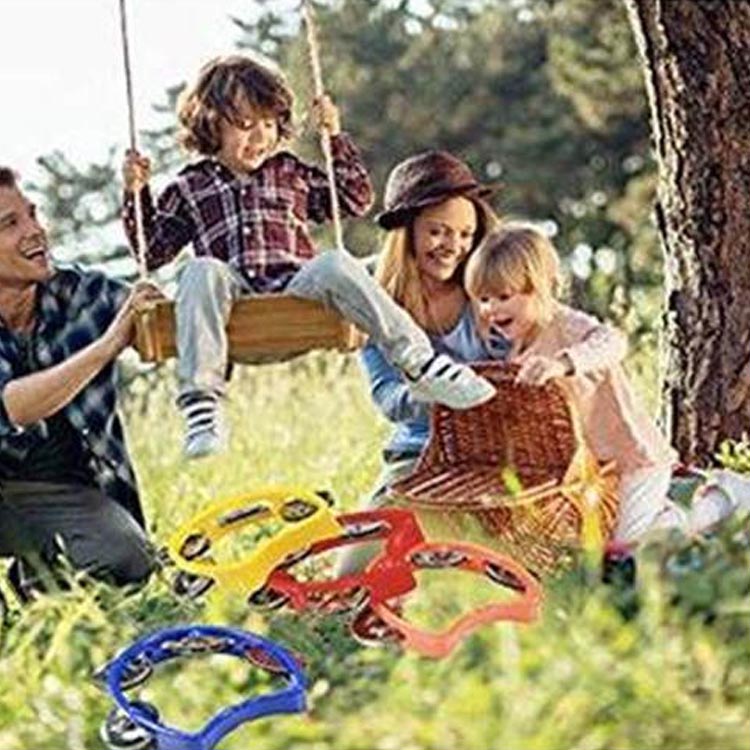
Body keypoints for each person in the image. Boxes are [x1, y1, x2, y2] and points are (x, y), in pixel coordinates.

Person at [122, 55, 495, 459]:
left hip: (295, 290)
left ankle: (420, 363)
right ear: (210, 124)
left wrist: (334, 138)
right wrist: (135, 193)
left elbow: (354, 198)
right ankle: (201, 406)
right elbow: (152, 250)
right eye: (245, 124)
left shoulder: (290, 172)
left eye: (269, 124)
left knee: (336, 262)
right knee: (200, 270)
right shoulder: (188, 187)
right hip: (233, 301)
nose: (260, 136)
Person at [464, 222, 749, 543]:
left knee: (631, 545)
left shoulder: (562, 324)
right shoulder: (517, 350)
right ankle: (671, 509)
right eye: (483, 299)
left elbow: (612, 342)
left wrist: (563, 364)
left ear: (540, 288)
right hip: (598, 470)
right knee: (607, 539)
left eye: (503, 296)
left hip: (633, 457)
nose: (491, 309)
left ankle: (724, 499)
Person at [0, 166, 158, 599]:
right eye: (10, 224)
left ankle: (41, 580)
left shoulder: (84, 293)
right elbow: (11, 406)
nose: (35, 231)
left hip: (52, 490)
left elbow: (163, 325)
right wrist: (107, 347)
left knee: (129, 556)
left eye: (33, 215)